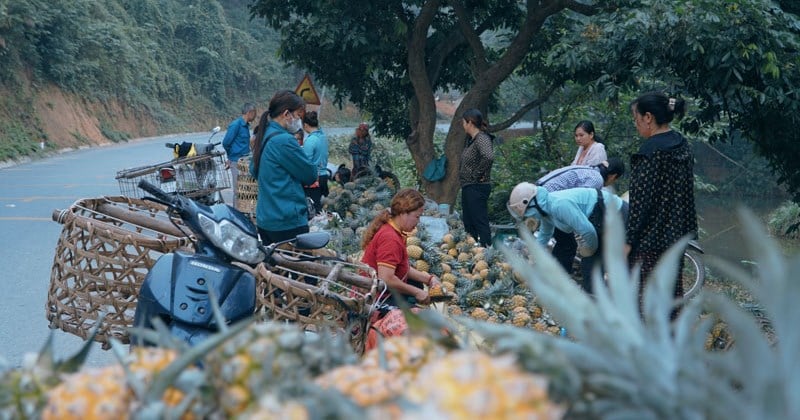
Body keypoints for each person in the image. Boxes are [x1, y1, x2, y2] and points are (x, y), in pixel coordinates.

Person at [627, 92, 697, 300]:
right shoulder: (681, 144)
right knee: (671, 296)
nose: (636, 123)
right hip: (676, 238)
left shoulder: (650, 151)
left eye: (635, 118)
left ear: (648, 117)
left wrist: (628, 241)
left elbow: (641, 203)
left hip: (649, 242)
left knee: (645, 300)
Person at [507, 183, 628, 294]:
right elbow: (544, 234)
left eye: (528, 212)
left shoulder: (558, 205)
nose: (529, 216)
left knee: (593, 265)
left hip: (616, 213)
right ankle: (596, 299)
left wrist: (590, 248)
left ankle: (597, 303)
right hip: (602, 218)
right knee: (591, 266)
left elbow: (588, 231)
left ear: (533, 203)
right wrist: (534, 256)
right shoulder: (547, 211)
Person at [535, 158, 626, 274]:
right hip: (549, 201)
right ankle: (560, 277)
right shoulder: (596, 179)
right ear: (613, 176)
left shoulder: (589, 171)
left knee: (561, 240)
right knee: (568, 245)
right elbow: (583, 206)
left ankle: (552, 274)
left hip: (540, 197)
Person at [249, 90, 317, 244]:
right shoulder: (284, 141)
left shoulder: (264, 134)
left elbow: (253, 170)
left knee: (273, 266)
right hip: (286, 220)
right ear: (287, 114)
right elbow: (310, 174)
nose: (299, 121)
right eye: (298, 116)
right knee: (294, 266)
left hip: (266, 220)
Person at [361, 188, 442, 305]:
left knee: (416, 284)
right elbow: (386, 279)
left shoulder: (395, 232)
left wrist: (429, 279)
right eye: (417, 217)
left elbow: (402, 268)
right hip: (377, 297)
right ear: (403, 213)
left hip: (383, 291)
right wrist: (417, 292)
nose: (418, 222)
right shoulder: (390, 238)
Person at [459, 108, 494, 247]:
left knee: (480, 221)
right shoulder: (471, 140)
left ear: (470, 123)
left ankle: (486, 252)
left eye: (463, 122)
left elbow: (489, 156)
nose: (463, 125)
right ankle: (472, 254)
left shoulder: (482, 138)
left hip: (477, 187)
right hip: (468, 186)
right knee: (469, 222)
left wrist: (477, 174)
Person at [222, 102, 257, 208]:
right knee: (238, 191)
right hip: (236, 161)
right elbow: (226, 143)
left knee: (246, 189)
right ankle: (236, 215)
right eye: (254, 113)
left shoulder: (246, 126)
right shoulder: (236, 125)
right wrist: (230, 157)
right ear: (249, 112)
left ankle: (245, 212)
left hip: (245, 161)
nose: (255, 116)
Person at [301, 111, 329, 215]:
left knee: (313, 210)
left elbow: (306, 163)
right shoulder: (323, 137)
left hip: (314, 179)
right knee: (320, 209)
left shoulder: (311, 140)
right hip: (324, 176)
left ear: (305, 125)